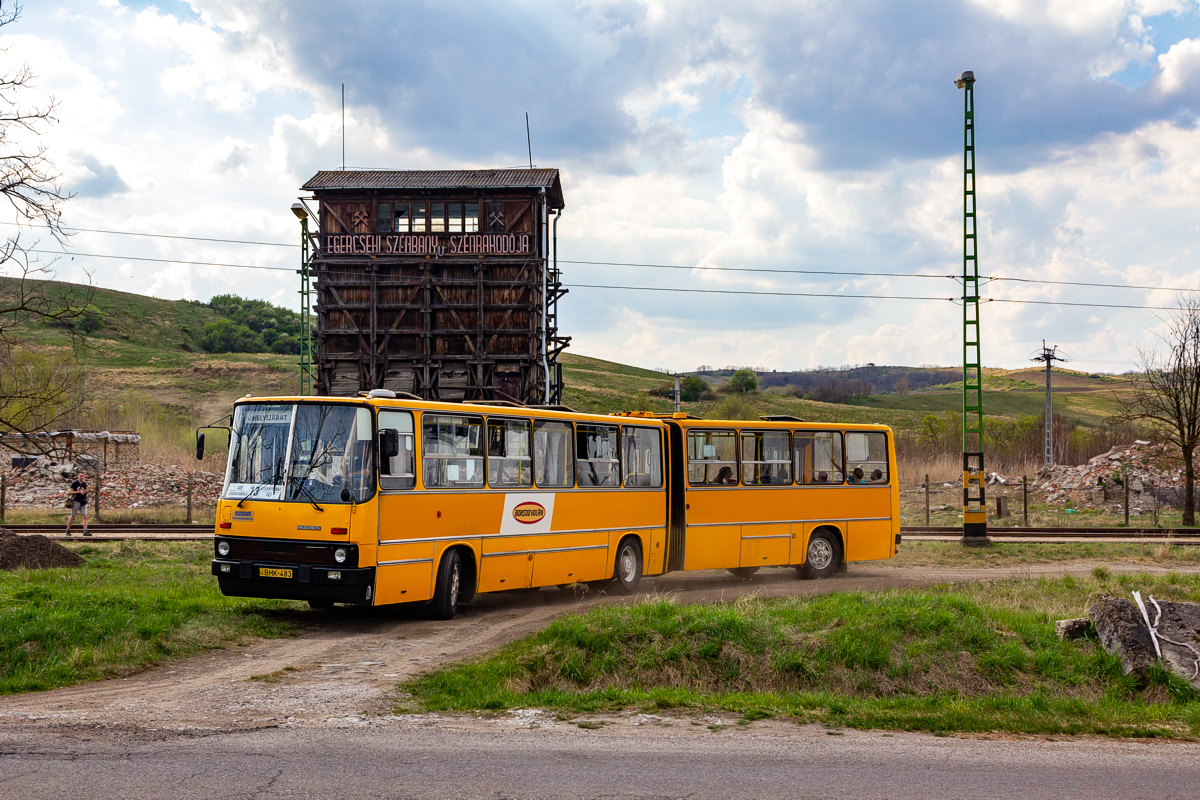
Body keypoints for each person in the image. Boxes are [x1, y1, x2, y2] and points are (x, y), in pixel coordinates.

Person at [65, 471, 90, 536]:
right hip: (76, 501)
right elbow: (69, 492)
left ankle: (85, 530)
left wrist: (85, 494)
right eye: (80, 476)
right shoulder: (75, 483)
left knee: (84, 516)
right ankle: (67, 529)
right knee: (73, 516)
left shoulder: (84, 483)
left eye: (83, 476)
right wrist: (78, 492)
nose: (82, 477)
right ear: (78, 476)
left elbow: (84, 490)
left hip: (83, 501)